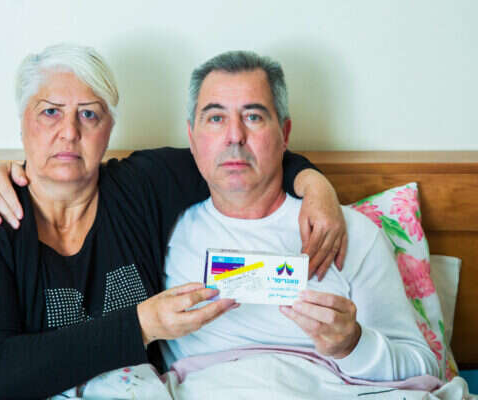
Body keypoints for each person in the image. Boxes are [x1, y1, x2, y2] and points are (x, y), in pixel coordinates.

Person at [0, 43, 346, 399]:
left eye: (89, 114)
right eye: (50, 112)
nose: (69, 132)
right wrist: (143, 325)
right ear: (22, 124)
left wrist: (314, 185)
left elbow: (240, 158)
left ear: (109, 128)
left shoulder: (143, 186)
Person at [160, 50, 439, 381]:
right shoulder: (162, 234)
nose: (235, 136)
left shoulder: (347, 232)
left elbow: (424, 367)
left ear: (285, 134)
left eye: (253, 116)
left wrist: (353, 345)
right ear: (192, 138)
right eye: (216, 118)